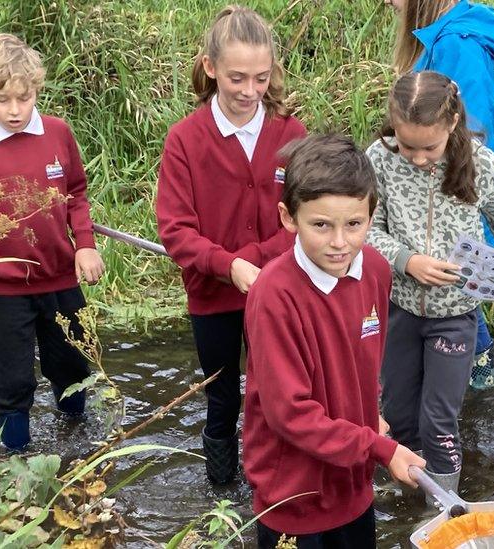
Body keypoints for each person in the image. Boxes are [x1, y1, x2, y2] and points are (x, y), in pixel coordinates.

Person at [366, 70, 494, 496]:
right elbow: (366, 229)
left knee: (440, 420)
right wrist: (406, 260)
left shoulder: (480, 163)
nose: (416, 157)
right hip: (398, 309)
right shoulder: (379, 159)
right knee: (397, 414)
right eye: (407, 145)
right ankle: (405, 501)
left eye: (428, 147)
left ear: (452, 124)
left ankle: (441, 510)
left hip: (457, 314)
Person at [242, 134, 426, 548]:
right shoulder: (274, 295)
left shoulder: (377, 270)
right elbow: (290, 413)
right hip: (292, 496)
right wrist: (379, 448)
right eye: (321, 225)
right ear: (289, 218)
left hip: (353, 487)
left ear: (371, 214)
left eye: (354, 224)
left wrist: (371, 413)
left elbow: (367, 363)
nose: (340, 242)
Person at [0, 32, 105, 453]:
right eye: (2, 99)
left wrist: (84, 242)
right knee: (12, 379)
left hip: (60, 279)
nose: (15, 110)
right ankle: (16, 457)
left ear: (36, 92)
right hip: (4, 285)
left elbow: (76, 193)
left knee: (71, 365)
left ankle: (79, 448)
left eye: (24, 99)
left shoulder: (58, 134)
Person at [155, 5, 306, 484]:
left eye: (260, 79)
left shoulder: (291, 134)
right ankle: (221, 494)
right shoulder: (185, 140)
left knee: (282, 392)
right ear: (210, 67)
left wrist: (255, 261)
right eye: (237, 78)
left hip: (282, 292)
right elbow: (176, 230)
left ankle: (276, 488)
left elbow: (306, 220)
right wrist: (230, 267)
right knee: (222, 397)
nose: (249, 91)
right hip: (213, 297)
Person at [386, 0, 494, 389]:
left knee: (458, 304)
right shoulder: (444, 37)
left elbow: (468, 142)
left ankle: (476, 402)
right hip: (432, 209)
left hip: (449, 209)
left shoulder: (458, 45)